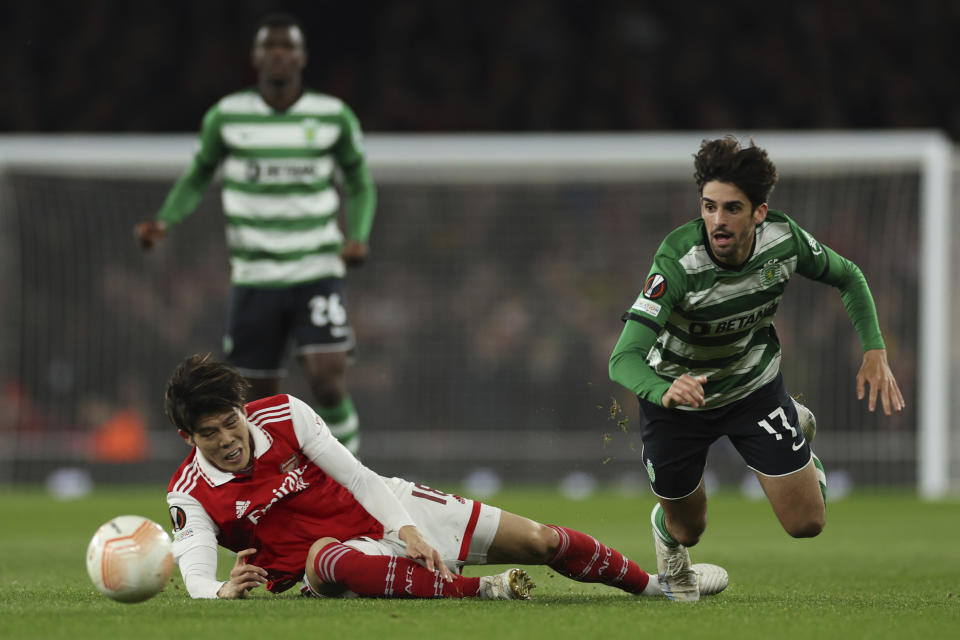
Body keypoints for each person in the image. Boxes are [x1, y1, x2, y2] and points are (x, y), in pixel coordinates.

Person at [164, 353, 728, 601]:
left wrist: (407, 529)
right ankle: (482, 590)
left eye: (230, 421)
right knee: (325, 558)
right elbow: (194, 575)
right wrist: (220, 590)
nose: (228, 439)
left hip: (392, 508)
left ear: (243, 409)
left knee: (542, 541)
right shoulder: (187, 495)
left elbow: (360, 478)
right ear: (189, 438)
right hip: (336, 560)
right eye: (210, 433)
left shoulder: (285, 412)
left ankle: (661, 588)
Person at [609, 136, 905, 602]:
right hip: (678, 400)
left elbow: (849, 276)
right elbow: (623, 358)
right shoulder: (677, 261)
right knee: (689, 530)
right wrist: (664, 389)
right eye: (709, 207)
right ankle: (667, 532)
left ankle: (797, 437)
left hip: (753, 389)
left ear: (759, 213)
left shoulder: (784, 241)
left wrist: (874, 349)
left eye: (731, 209)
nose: (717, 221)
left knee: (807, 524)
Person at [136, 13, 374, 454]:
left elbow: (359, 180)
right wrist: (165, 219)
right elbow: (198, 174)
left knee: (327, 379)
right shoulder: (227, 116)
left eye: (287, 47)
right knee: (259, 399)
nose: (279, 55)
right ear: (256, 57)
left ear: (301, 56)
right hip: (255, 275)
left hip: (316, 267)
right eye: (270, 47)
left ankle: (355, 482)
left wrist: (356, 234)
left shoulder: (331, 116)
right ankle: (275, 492)